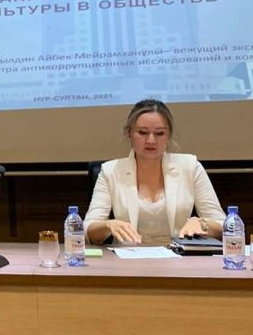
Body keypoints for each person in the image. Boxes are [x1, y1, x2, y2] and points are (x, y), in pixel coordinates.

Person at [84, 98, 224, 245]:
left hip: (178, 254)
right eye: (143, 132)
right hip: (128, 255)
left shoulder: (190, 167)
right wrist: (108, 225)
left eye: (159, 133)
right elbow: (88, 231)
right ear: (129, 133)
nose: (151, 140)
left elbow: (224, 226)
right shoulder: (110, 171)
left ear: (169, 135)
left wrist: (203, 224)